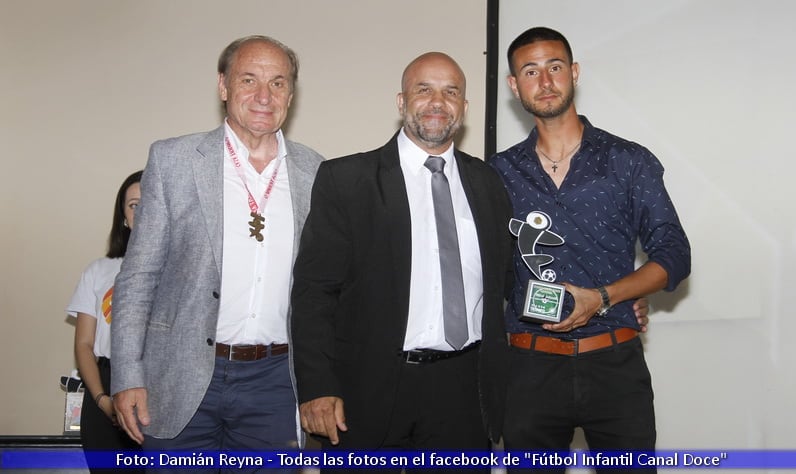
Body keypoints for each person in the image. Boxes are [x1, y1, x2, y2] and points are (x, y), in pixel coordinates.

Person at [290, 52, 513, 470]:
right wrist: (317, 386)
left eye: (451, 92)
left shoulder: (488, 183)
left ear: (464, 108)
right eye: (423, 89)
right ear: (400, 102)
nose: (437, 102)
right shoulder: (347, 180)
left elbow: (507, 281)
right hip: (368, 390)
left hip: (464, 391)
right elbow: (314, 293)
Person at [110, 35, 324, 466]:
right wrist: (127, 375)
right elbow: (138, 277)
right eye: (249, 80)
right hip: (180, 376)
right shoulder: (173, 160)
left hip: (275, 383)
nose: (264, 96)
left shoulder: (317, 171)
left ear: (291, 94)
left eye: (278, 83)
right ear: (223, 86)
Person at [487, 26, 692, 473]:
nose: (545, 81)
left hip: (614, 365)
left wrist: (607, 296)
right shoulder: (496, 173)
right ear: (513, 85)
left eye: (555, 67)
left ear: (574, 73)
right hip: (528, 370)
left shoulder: (628, 161)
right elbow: (482, 268)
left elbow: (673, 254)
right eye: (530, 70)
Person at [66, 170, 143, 474]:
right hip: (106, 389)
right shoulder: (99, 271)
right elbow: (84, 345)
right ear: (123, 216)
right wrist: (102, 400)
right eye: (134, 205)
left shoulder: (185, 269)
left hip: (163, 391)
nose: (142, 212)